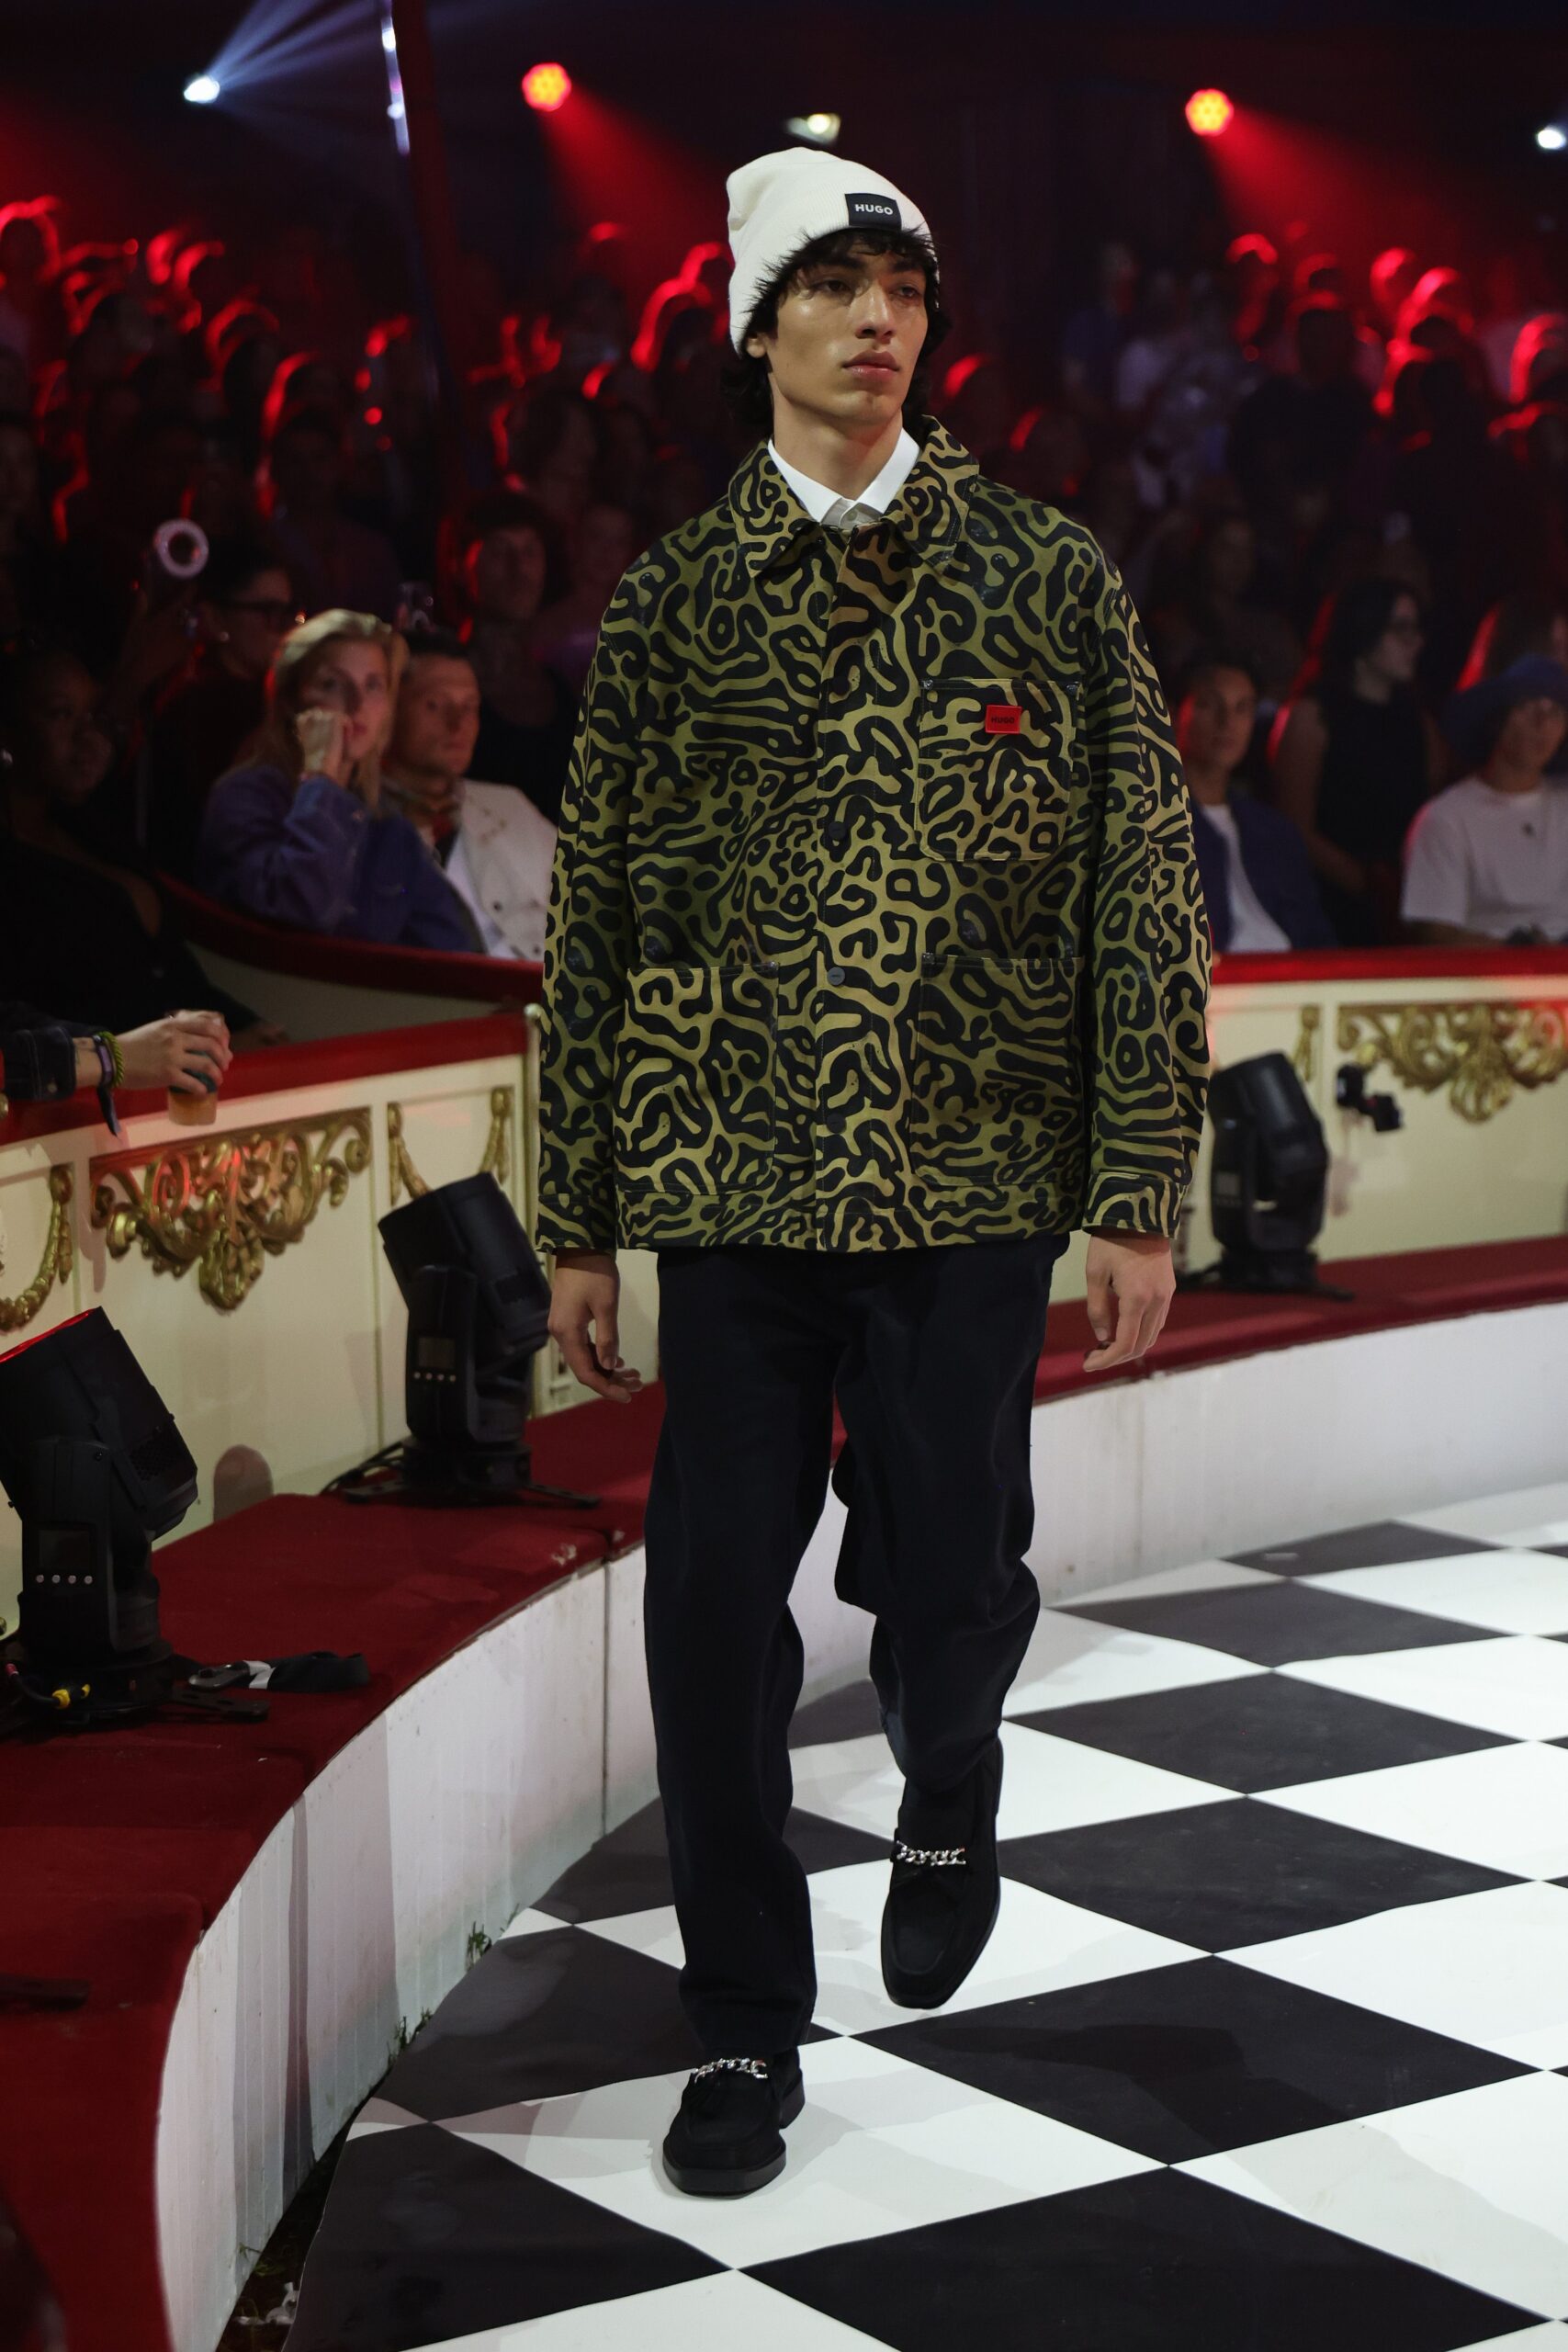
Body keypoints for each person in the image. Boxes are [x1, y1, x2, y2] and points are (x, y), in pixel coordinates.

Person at [537, 147, 1211, 2199]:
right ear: (753, 324)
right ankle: (744, 2023)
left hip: (980, 1174)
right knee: (705, 1611)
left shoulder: (1043, 575)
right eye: (827, 283)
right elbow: (601, 918)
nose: (872, 317)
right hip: (737, 1189)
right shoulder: (669, 601)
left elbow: (1137, 889)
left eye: (898, 281)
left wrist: (1138, 1181)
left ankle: (947, 1771)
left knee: (951, 1573)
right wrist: (573, 1209)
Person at [0, 643, 272, 1045]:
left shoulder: (90, 826)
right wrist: (136, 1052)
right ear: (8, 730)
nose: (86, 734)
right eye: (61, 714)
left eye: (92, 714)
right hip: (99, 1083)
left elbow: (174, 974)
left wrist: (242, 1026)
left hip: (178, 1063)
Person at [197, 609, 475, 949]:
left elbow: (453, 954)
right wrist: (320, 777)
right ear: (290, 701)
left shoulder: (388, 827)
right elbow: (302, 910)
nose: (357, 705)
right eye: (332, 684)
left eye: (373, 686)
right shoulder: (244, 797)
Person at [1268, 576, 1444, 945]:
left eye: (1416, 628)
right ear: (1362, 631)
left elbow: (1435, 813)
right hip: (1329, 905)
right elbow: (1294, 827)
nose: (1417, 641)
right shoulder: (1312, 717)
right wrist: (1370, 885)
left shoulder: (1419, 721)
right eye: (1401, 628)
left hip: (1408, 899)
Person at [380, 628, 556, 959]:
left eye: (470, 707)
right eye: (435, 705)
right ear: (389, 708)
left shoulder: (508, 808)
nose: (458, 723)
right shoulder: (359, 821)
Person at [141, 536, 301, 876]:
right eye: (268, 613)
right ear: (215, 619)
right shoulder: (205, 706)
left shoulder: (265, 694)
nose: (284, 629)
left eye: (288, 613)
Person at [1176, 650, 1335, 952]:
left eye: (1242, 708)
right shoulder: (1149, 826)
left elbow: (1316, 936)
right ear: (1172, 712)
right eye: (1209, 704)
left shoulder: (1274, 832)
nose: (1227, 722)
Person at [1402, 656, 1568, 944]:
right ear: (1496, 719)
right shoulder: (1447, 818)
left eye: (1555, 711)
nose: (1542, 723)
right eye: (1526, 706)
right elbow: (1435, 937)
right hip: (1493, 980)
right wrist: (1520, 952)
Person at [447, 489, 580, 826]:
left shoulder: (564, 693)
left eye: (530, 552)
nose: (518, 569)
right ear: (461, 567)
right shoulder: (441, 684)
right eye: (499, 551)